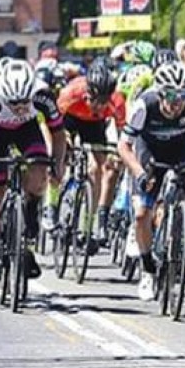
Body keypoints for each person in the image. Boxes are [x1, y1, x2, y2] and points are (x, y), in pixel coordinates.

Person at [118, 62, 185, 301]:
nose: (176, 102)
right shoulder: (144, 106)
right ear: (159, 92)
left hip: (181, 147)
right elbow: (124, 146)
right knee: (141, 214)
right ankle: (147, 270)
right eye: (170, 95)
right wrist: (139, 173)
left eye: (181, 96)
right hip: (150, 151)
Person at [0, 60, 66, 292]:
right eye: (13, 102)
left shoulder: (41, 94)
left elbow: (58, 133)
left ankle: (27, 235)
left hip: (27, 130)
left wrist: (58, 164)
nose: (19, 106)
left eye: (23, 102)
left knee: (39, 172)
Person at [55, 60, 125, 248]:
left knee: (100, 168)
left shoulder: (116, 102)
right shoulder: (71, 93)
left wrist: (118, 153)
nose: (98, 106)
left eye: (103, 102)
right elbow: (54, 124)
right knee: (58, 156)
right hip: (69, 120)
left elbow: (123, 135)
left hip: (94, 125)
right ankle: (51, 203)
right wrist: (64, 141)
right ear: (87, 93)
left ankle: (87, 227)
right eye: (94, 100)